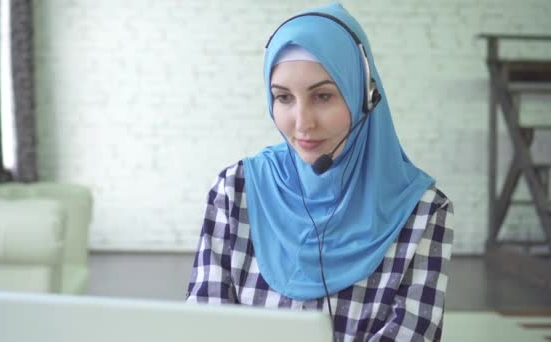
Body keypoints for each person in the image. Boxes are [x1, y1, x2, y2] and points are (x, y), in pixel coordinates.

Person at [186, 2, 454, 341]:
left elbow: (413, 334)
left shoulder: (423, 210)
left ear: (365, 96)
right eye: (283, 98)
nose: (302, 123)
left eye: (323, 96)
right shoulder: (234, 190)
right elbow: (203, 324)